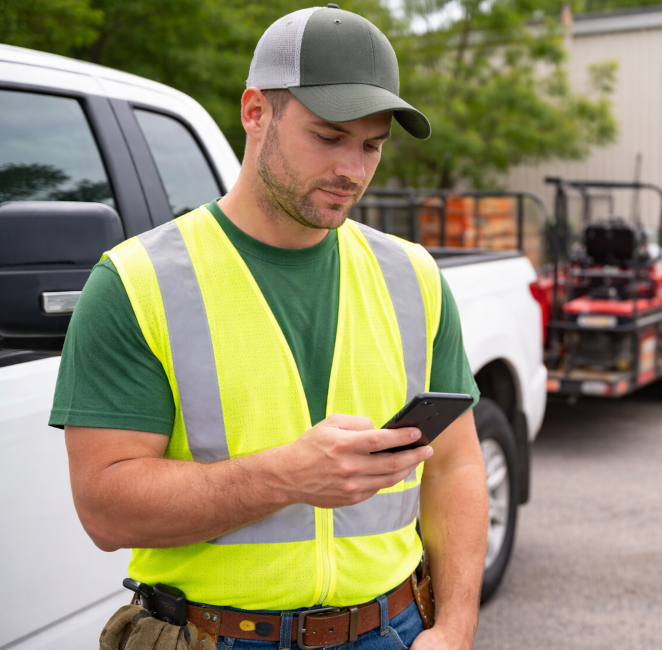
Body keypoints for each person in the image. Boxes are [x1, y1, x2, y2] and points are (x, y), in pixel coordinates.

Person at [50, 7, 486, 650]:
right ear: (256, 112)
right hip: (211, 636)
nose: (353, 170)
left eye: (371, 145)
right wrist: (287, 475)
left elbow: (456, 466)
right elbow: (105, 508)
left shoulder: (413, 276)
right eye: (329, 136)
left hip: (391, 630)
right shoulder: (136, 282)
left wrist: (454, 628)